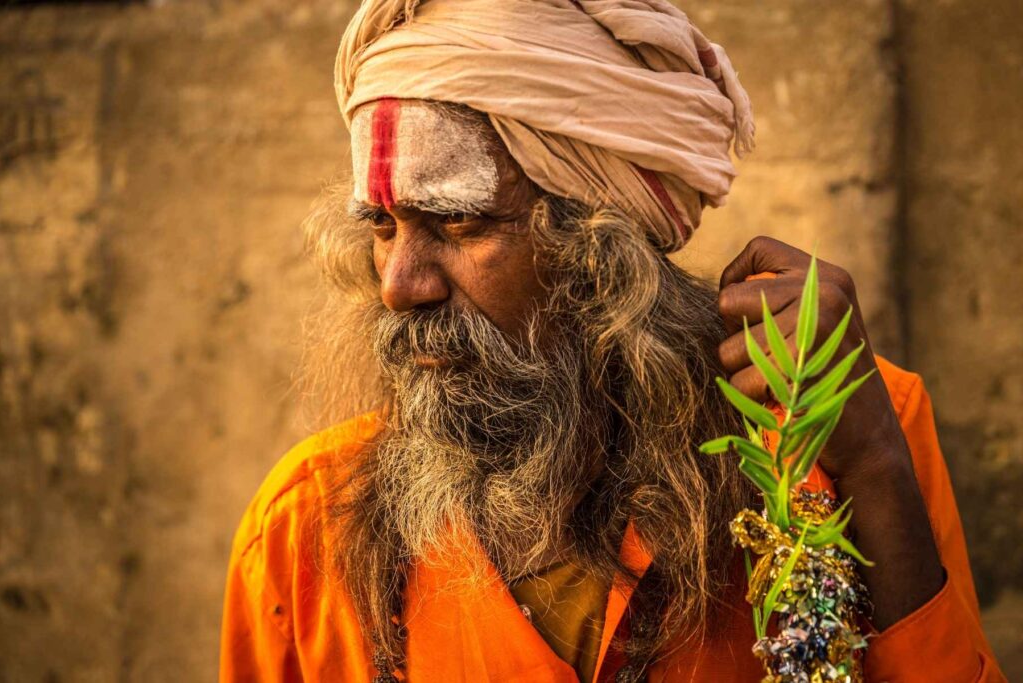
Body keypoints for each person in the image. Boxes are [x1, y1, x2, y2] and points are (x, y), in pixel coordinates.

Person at [220, 1, 1005, 680]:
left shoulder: (850, 431)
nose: (400, 283)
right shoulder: (302, 529)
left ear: (605, 247)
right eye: (383, 228)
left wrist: (873, 467)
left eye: (458, 222)